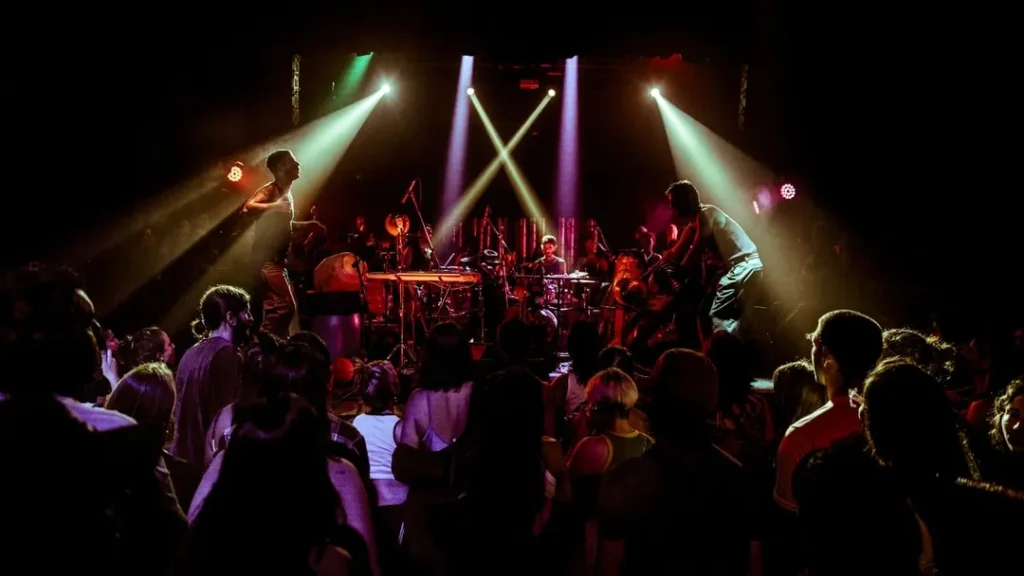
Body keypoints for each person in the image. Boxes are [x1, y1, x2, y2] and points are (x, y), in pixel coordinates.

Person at [662, 180, 762, 336]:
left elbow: (696, 251)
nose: (671, 206)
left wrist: (678, 272)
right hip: (733, 269)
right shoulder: (692, 225)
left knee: (717, 316)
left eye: (674, 202)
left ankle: (725, 345)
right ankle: (713, 346)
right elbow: (674, 252)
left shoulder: (706, 214)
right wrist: (659, 265)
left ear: (687, 199)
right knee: (703, 312)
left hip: (744, 265)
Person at [244, 149, 325, 337]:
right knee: (286, 306)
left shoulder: (287, 193)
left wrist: (306, 225)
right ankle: (265, 343)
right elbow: (248, 208)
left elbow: (282, 223)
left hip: (276, 262)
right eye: (292, 161)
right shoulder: (271, 190)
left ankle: (269, 345)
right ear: (280, 167)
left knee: (275, 307)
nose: (298, 164)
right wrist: (275, 206)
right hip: (267, 261)